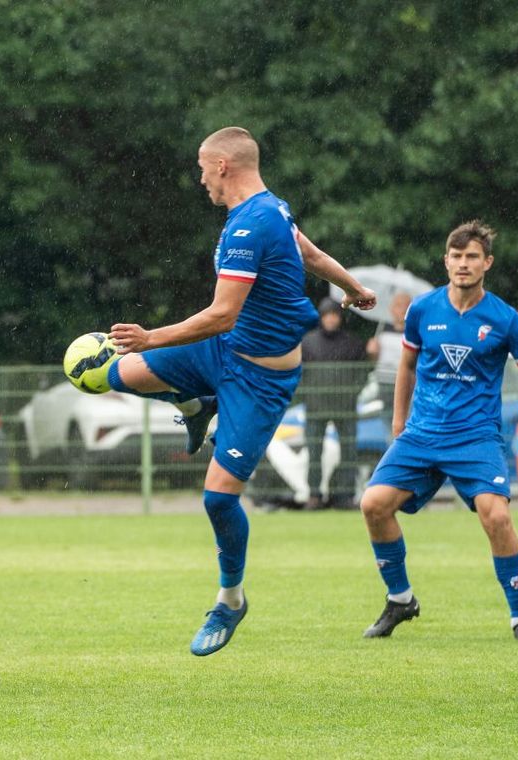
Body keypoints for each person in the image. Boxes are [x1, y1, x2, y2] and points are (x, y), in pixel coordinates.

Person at [106, 126, 376, 656]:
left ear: (224, 166)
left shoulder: (251, 225)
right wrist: (354, 288)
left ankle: (230, 599)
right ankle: (196, 401)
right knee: (115, 374)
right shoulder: (272, 209)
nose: (201, 178)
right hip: (221, 353)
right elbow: (312, 255)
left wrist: (151, 336)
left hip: (260, 379)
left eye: (204, 168)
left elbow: (222, 312)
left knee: (217, 497)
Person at [357, 220, 518, 643]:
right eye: (456, 256)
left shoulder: (504, 318)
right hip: (422, 434)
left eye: (472, 257)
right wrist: (398, 425)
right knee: (373, 504)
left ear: (487, 263)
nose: (463, 264)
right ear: (446, 261)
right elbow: (406, 367)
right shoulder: (423, 310)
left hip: (476, 437)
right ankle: (400, 599)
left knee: (496, 515)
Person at [301, 297, 369, 510]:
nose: (331, 319)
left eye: (334, 315)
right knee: (314, 452)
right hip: (315, 406)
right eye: (327, 315)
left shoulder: (353, 343)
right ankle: (314, 495)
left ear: (339, 318)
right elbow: (298, 373)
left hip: (345, 406)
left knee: (349, 452)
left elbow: (363, 373)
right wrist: (307, 395)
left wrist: (352, 394)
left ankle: (345, 496)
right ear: (321, 317)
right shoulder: (307, 343)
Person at [367, 292, 413, 447]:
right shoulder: (383, 330)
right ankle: (392, 446)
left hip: (406, 383)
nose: (401, 310)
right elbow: (375, 360)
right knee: (388, 421)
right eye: (398, 306)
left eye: (405, 306)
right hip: (384, 383)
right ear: (392, 309)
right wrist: (372, 351)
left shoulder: (413, 333)